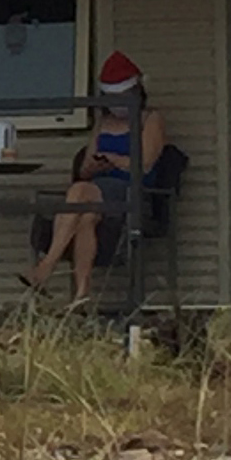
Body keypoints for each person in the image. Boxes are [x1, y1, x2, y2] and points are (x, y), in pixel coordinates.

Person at [21, 50, 166, 301]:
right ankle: (82, 296)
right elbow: (85, 167)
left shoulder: (149, 119)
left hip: (131, 190)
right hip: (99, 188)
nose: (116, 103)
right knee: (86, 214)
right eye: (111, 98)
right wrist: (95, 167)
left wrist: (113, 161)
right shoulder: (103, 123)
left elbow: (146, 162)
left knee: (78, 192)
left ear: (135, 93)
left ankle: (45, 267)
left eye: (122, 97)